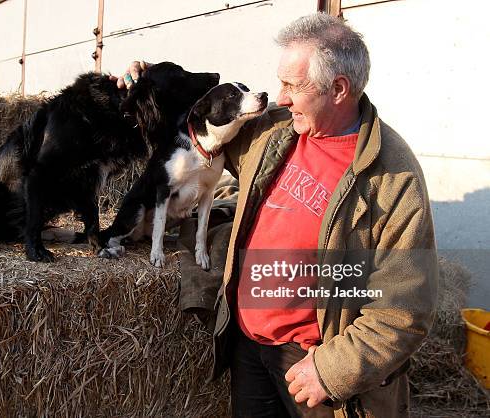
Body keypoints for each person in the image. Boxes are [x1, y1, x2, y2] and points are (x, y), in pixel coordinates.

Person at [117, 12, 437, 418]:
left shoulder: (394, 175)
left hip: (313, 364)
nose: (280, 97)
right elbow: (199, 115)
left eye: (293, 86)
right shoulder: (274, 131)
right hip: (249, 345)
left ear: (338, 89)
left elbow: (405, 308)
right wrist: (144, 79)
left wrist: (331, 371)